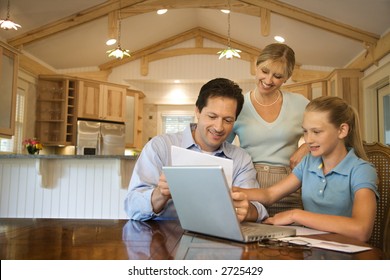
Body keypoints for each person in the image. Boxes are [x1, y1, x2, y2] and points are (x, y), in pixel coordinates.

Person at [235, 96, 379, 241]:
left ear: (342, 130)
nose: (308, 140)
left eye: (316, 132)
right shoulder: (309, 162)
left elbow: (361, 230)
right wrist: (229, 192)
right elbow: (269, 194)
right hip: (312, 246)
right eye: (305, 131)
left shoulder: (361, 170)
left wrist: (295, 215)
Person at [125, 78, 268, 222]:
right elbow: (132, 207)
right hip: (163, 235)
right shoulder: (160, 147)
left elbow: (259, 209)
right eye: (212, 116)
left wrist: (248, 211)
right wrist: (160, 194)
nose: (219, 127)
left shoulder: (241, 159)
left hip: (219, 237)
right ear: (198, 111)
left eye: (228, 120)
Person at [227, 43, 310, 216]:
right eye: (264, 71)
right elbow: (220, 148)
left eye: (278, 76)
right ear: (256, 67)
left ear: (287, 77)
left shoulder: (300, 104)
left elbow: (326, 133)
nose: (268, 80)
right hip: (248, 185)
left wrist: (306, 147)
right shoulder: (238, 104)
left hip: (288, 188)